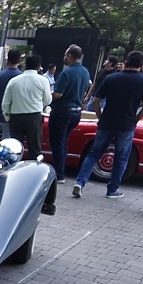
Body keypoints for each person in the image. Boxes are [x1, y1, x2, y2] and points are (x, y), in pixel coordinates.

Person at [72, 50, 143, 199]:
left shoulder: (112, 77)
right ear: (141, 65)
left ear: (126, 61)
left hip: (107, 121)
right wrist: (136, 119)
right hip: (127, 124)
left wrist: (100, 116)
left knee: (94, 154)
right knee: (121, 158)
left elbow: (96, 100)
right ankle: (112, 190)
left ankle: (80, 182)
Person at [48, 44, 90, 183]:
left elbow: (58, 94)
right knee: (64, 142)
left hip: (62, 112)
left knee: (58, 143)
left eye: (66, 55)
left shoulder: (67, 73)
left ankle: (59, 174)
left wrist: (47, 95)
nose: (64, 57)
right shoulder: (85, 72)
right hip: (76, 113)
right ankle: (61, 171)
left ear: (70, 56)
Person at [2, 55, 52, 159]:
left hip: (16, 117)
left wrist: (8, 118)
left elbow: (6, 102)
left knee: (15, 150)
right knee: (35, 149)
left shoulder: (14, 81)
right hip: (34, 117)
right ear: (39, 67)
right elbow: (48, 100)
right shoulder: (43, 81)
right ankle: (33, 172)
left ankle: (14, 171)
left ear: (25, 65)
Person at [0, 49, 23, 140]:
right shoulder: (22, 78)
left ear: (7, 61)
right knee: (7, 143)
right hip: (12, 116)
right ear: (20, 61)